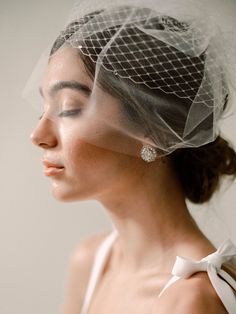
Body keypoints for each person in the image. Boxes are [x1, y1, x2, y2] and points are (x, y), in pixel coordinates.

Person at [29, 1, 236, 313]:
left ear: (153, 126)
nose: (38, 136)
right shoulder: (90, 263)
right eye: (45, 107)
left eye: (68, 108)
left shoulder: (193, 301)